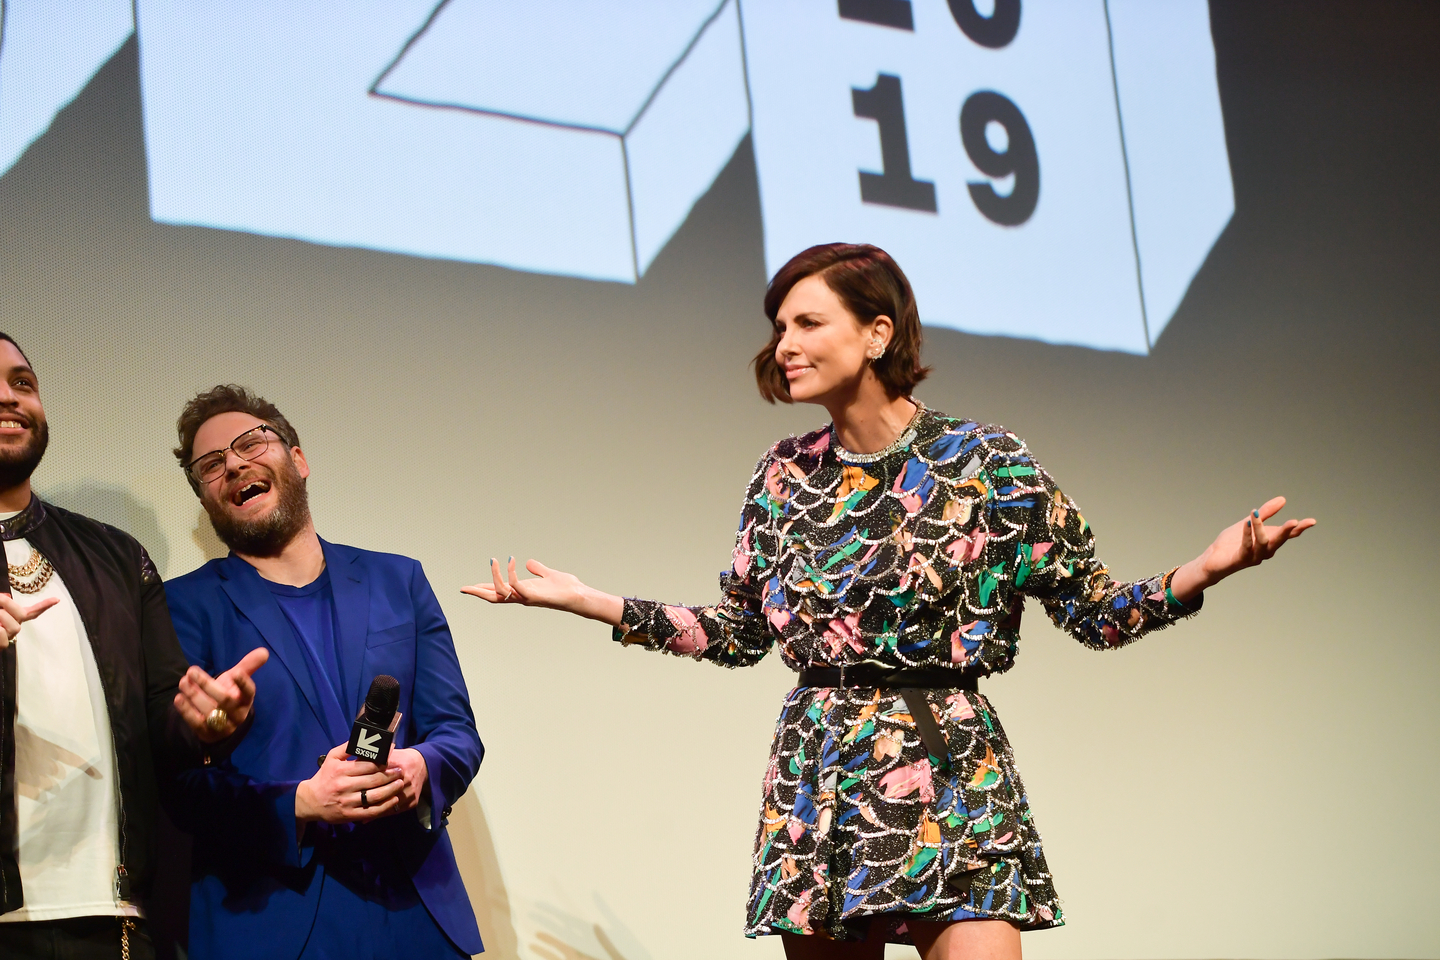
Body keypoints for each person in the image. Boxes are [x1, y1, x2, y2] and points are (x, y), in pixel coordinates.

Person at [462, 244, 1315, 960]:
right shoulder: (783, 473)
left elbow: (1093, 612)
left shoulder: (986, 462)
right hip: (823, 771)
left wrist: (1204, 570)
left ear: (876, 332)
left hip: (953, 768)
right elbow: (737, 634)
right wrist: (590, 601)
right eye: (778, 328)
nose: (784, 345)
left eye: (807, 323)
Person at [163, 385, 484, 960]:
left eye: (249, 443)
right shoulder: (181, 607)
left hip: (416, 918)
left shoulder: (399, 581)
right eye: (210, 465)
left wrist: (420, 767)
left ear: (299, 459)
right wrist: (301, 803)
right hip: (267, 925)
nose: (234, 464)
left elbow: (457, 733)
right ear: (208, 499)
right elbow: (177, 786)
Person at [0, 334, 266, 960]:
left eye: (22, 382)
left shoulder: (117, 556)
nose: (8, 398)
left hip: (111, 914)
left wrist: (209, 721)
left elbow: (160, 719)